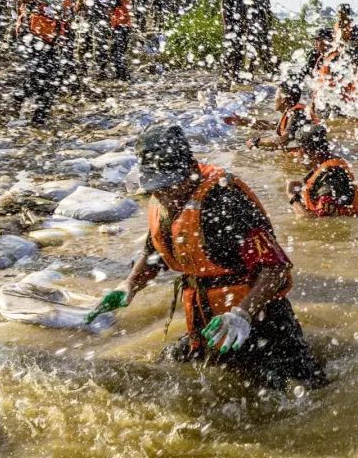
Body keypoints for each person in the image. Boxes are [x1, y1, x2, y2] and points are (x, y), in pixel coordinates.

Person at [88, 124, 327, 390]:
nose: (164, 195)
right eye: (156, 187)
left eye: (169, 185)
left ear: (189, 169)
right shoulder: (162, 201)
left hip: (261, 322)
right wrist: (129, 286)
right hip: (207, 321)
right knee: (168, 371)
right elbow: (155, 253)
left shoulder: (225, 200)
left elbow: (276, 269)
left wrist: (242, 315)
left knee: (302, 391)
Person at [285, 123, 358, 218]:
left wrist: (293, 197)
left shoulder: (329, 176)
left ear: (306, 151)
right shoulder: (327, 166)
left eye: (297, 150)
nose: (295, 154)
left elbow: (317, 223)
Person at [246, 78, 318, 152]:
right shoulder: (291, 111)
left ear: (284, 99)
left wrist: (258, 141)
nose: (274, 99)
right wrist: (245, 122)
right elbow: (271, 125)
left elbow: (283, 140)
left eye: (276, 96)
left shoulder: (294, 114)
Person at [220, 0, 246, 87]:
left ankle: (236, 75)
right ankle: (225, 75)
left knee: (239, 52)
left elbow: (243, 8)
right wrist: (226, 26)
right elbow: (223, 10)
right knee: (228, 51)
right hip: (229, 26)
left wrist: (244, 23)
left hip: (239, 25)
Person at [248, 0, 275, 76]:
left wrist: (270, 27)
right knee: (251, 53)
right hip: (250, 29)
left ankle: (269, 72)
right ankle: (250, 74)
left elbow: (268, 12)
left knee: (265, 52)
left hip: (263, 28)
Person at [109, 0, 133, 81]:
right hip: (125, 27)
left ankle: (124, 75)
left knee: (117, 52)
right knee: (118, 51)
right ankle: (120, 74)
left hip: (120, 27)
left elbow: (110, 7)